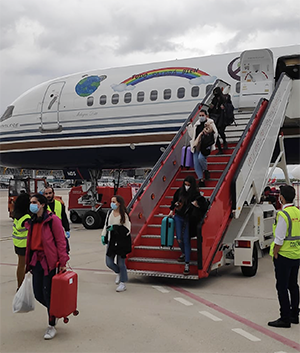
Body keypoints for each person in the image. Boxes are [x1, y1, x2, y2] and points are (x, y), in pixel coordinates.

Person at [25, 193, 69, 340]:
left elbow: (61, 241)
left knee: (48, 293)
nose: (31, 204)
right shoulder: (32, 220)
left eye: (34, 202)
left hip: (49, 262)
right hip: (35, 261)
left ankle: (51, 325)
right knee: (38, 294)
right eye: (31, 202)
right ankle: (55, 312)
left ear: (42, 204)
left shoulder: (52, 220)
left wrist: (63, 262)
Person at [268, 185, 300, 328]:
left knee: (281, 286)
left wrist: (275, 253)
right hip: (296, 254)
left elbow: (279, 238)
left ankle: (284, 318)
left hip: (284, 256)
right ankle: (294, 315)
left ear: (281, 197)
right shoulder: (297, 213)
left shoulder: (283, 214)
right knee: (293, 285)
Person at [168, 176, 200, 275]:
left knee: (186, 239)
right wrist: (171, 210)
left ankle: (187, 263)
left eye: (188, 185)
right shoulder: (179, 191)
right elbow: (174, 201)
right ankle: (184, 253)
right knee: (179, 238)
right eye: (185, 184)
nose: (186, 187)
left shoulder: (195, 194)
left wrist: (196, 205)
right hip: (178, 216)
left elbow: (200, 204)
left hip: (188, 218)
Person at [101, 195, 132, 292]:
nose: (112, 203)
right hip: (112, 240)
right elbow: (106, 225)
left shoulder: (124, 215)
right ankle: (118, 272)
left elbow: (127, 229)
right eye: (111, 201)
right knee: (109, 262)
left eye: (114, 202)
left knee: (121, 262)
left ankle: (123, 282)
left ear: (119, 203)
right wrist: (103, 235)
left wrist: (115, 228)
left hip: (121, 242)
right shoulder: (110, 213)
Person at [187, 109, 218, 187]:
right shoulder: (197, 124)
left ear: (206, 116)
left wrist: (208, 135)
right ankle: (201, 179)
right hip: (197, 145)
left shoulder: (210, 123)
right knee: (196, 163)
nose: (201, 117)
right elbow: (192, 136)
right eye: (200, 115)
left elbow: (215, 134)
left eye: (202, 115)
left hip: (205, 145)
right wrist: (189, 128)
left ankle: (206, 170)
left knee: (201, 158)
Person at [12, 193, 31, 290]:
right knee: (22, 265)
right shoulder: (26, 218)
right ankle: (20, 287)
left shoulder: (17, 215)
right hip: (24, 244)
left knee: (20, 265)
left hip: (17, 243)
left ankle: (20, 285)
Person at [44, 186, 70, 252]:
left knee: (63, 249)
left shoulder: (59, 204)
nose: (48, 195)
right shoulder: (42, 206)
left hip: (59, 231)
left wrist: (67, 229)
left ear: (53, 193)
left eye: (50, 193)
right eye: (46, 194)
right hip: (47, 232)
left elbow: (64, 217)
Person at [208, 87, 228, 154]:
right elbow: (210, 109)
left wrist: (224, 107)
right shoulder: (214, 100)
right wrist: (211, 107)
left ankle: (224, 142)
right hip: (215, 118)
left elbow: (228, 107)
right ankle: (220, 149)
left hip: (222, 118)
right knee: (215, 134)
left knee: (221, 131)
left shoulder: (224, 99)